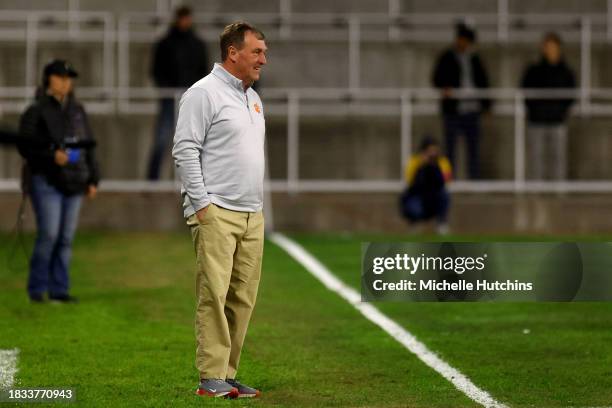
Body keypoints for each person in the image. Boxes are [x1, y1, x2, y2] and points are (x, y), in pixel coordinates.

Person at [172, 22, 267, 399]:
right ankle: (211, 375)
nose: (264, 58)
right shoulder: (203, 94)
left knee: (242, 298)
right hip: (216, 212)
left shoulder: (255, 98)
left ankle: (226, 375)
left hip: (251, 214)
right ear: (233, 52)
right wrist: (202, 205)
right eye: (257, 51)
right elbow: (184, 149)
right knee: (214, 294)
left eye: (264, 52)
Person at [17, 60, 99, 303]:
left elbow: (88, 145)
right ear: (48, 79)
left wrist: (94, 178)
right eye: (60, 76)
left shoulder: (77, 110)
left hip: (75, 181)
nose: (66, 81)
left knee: (65, 238)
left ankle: (59, 290)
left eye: (69, 77)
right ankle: (37, 289)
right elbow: (25, 146)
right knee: (50, 235)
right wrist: (51, 155)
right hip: (46, 181)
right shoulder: (35, 110)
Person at [148, 6, 209, 180]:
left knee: (195, 142)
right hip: (169, 98)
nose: (184, 22)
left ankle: (197, 181)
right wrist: (167, 89)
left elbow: (203, 72)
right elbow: (156, 71)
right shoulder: (165, 43)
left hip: (191, 99)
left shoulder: (197, 44)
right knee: (162, 139)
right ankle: (152, 180)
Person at [432, 22, 491, 179]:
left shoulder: (475, 59)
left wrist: (486, 105)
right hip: (453, 110)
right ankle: (449, 181)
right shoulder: (447, 57)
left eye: (467, 40)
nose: (464, 43)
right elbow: (437, 78)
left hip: (472, 111)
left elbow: (484, 82)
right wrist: (446, 88)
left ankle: (474, 181)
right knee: (450, 149)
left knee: (473, 150)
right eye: (462, 39)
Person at [521, 32, 576, 180]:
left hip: (558, 121)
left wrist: (560, 111)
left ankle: (559, 190)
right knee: (536, 158)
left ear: (559, 48)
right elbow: (525, 92)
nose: (550, 49)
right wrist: (535, 110)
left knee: (558, 157)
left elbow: (571, 95)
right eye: (547, 46)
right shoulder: (534, 70)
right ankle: (536, 190)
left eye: (553, 46)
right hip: (536, 121)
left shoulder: (566, 72)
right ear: (543, 48)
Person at [400, 136, 452, 234]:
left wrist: (435, 166)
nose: (432, 155)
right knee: (411, 203)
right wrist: (422, 166)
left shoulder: (442, 162)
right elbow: (410, 182)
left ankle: (442, 224)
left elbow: (446, 181)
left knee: (444, 194)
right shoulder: (414, 161)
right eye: (429, 151)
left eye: (435, 151)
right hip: (418, 195)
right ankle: (414, 224)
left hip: (435, 197)